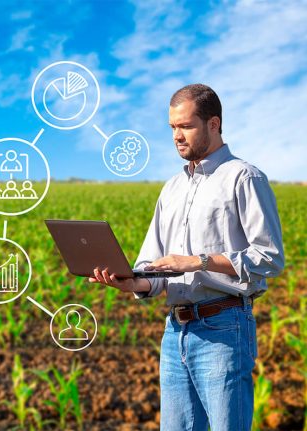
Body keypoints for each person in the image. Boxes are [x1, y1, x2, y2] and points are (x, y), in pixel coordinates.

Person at [89, 84, 284, 431]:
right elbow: (156, 266)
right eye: (172, 128)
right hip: (174, 331)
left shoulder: (244, 178)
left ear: (214, 124)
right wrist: (132, 281)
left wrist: (198, 261)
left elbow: (269, 257)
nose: (177, 136)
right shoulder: (172, 189)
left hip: (224, 327)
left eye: (186, 126)